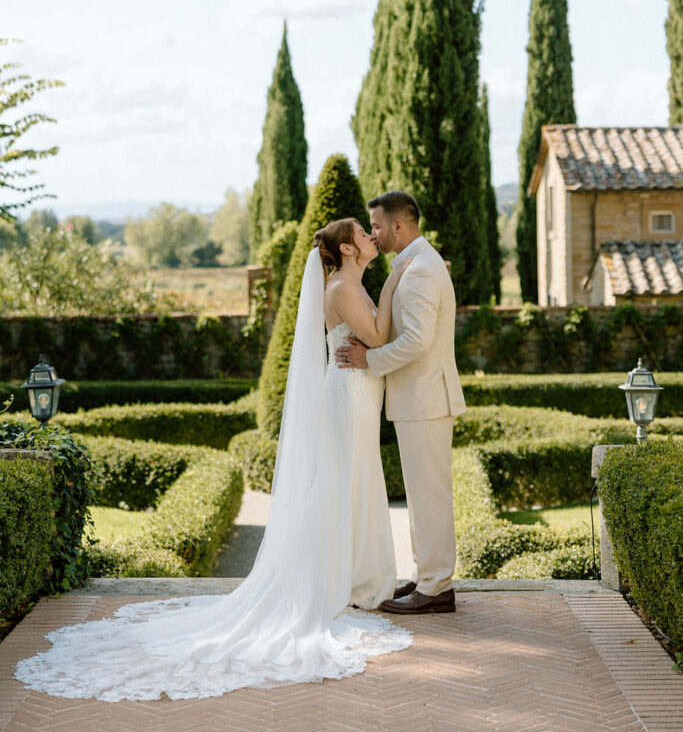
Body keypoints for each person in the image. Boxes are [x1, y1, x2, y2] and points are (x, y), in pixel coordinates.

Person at [14, 219, 412, 702]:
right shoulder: (344, 288)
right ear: (348, 248)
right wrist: (394, 285)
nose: (373, 238)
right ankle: (335, 580)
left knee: (354, 482)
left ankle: (356, 577)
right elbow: (376, 332)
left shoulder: (350, 281)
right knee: (341, 484)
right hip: (349, 398)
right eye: (363, 234)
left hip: (358, 396)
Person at [336, 191, 466, 616]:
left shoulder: (422, 270)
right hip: (418, 398)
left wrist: (369, 359)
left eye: (375, 225)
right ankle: (429, 576)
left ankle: (436, 586)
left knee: (430, 495)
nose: (372, 233)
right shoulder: (413, 264)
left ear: (397, 225)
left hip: (426, 397)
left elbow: (416, 341)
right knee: (422, 493)